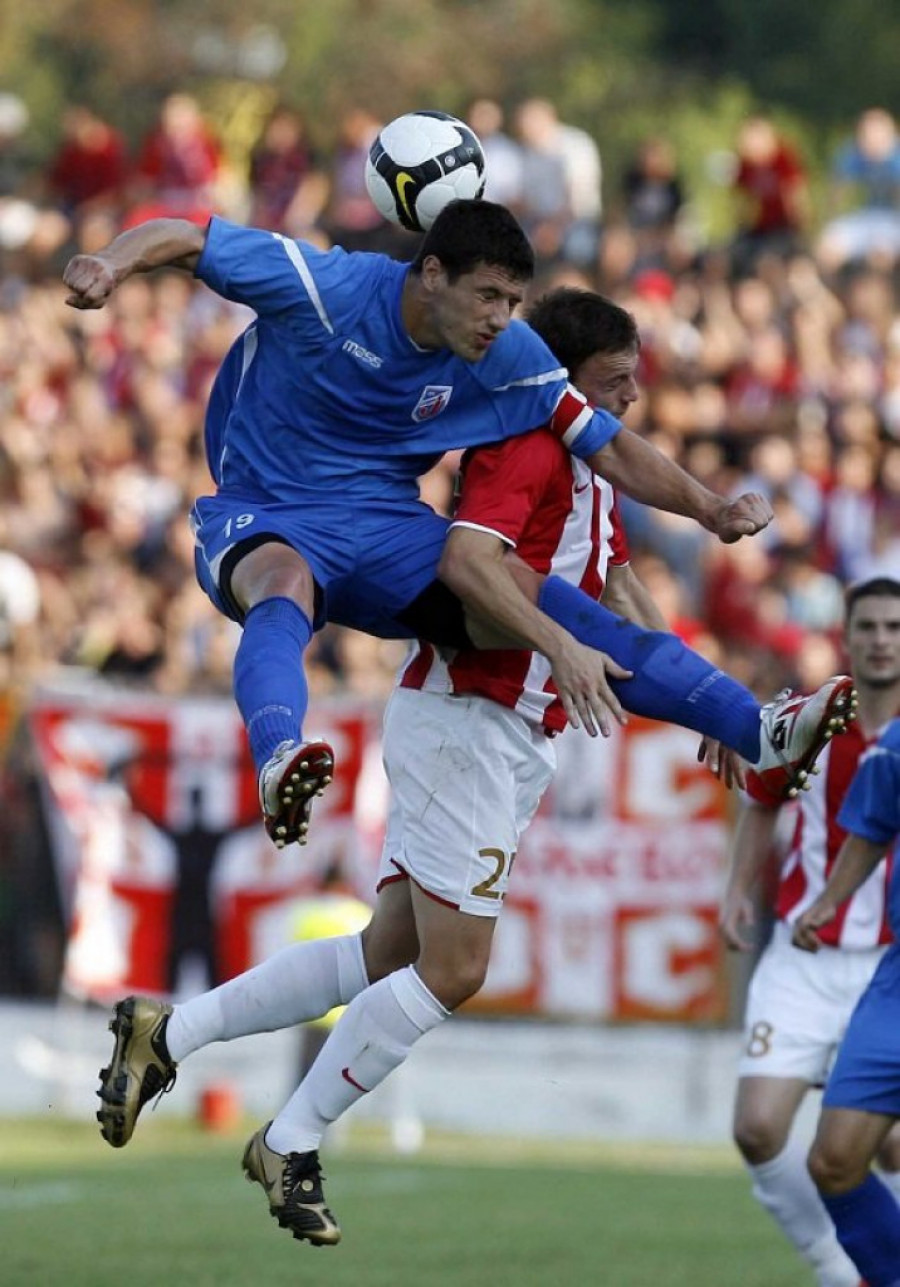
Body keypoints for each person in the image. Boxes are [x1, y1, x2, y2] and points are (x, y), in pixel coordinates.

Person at [93, 288, 856, 1248]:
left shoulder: (590, 465)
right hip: (472, 716)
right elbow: (467, 559)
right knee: (454, 968)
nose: (631, 398)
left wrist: (698, 700)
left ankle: (169, 1033)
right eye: (615, 382)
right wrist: (574, 649)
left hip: (502, 728)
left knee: (386, 952)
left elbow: (617, 587)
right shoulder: (524, 445)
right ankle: (290, 1138)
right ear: (563, 380)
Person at [64, 199, 777, 856]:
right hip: (269, 509)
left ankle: (757, 724)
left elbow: (611, 447)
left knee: (523, 593)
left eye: (512, 301)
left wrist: (711, 509)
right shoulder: (331, 287)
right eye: (487, 295)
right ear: (433, 274)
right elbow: (187, 238)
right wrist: (111, 263)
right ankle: (281, 755)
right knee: (282, 582)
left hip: (387, 528)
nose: (500, 318)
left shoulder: (512, 355)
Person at [721, 575, 900, 1287]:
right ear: (845, 635)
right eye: (869, 627)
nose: (881, 641)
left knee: (887, 1147)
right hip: (804, 953)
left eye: (895, 628)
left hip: (887, 963)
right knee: (757, 1127)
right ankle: (838, 1268)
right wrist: (738, 891)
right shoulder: (812, 719)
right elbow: (762, 799)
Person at [793, 715, 900, 1286]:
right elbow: (873, 827)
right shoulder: (896, 744)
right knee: (834, 1160)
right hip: (896, 985)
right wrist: (828, 902)